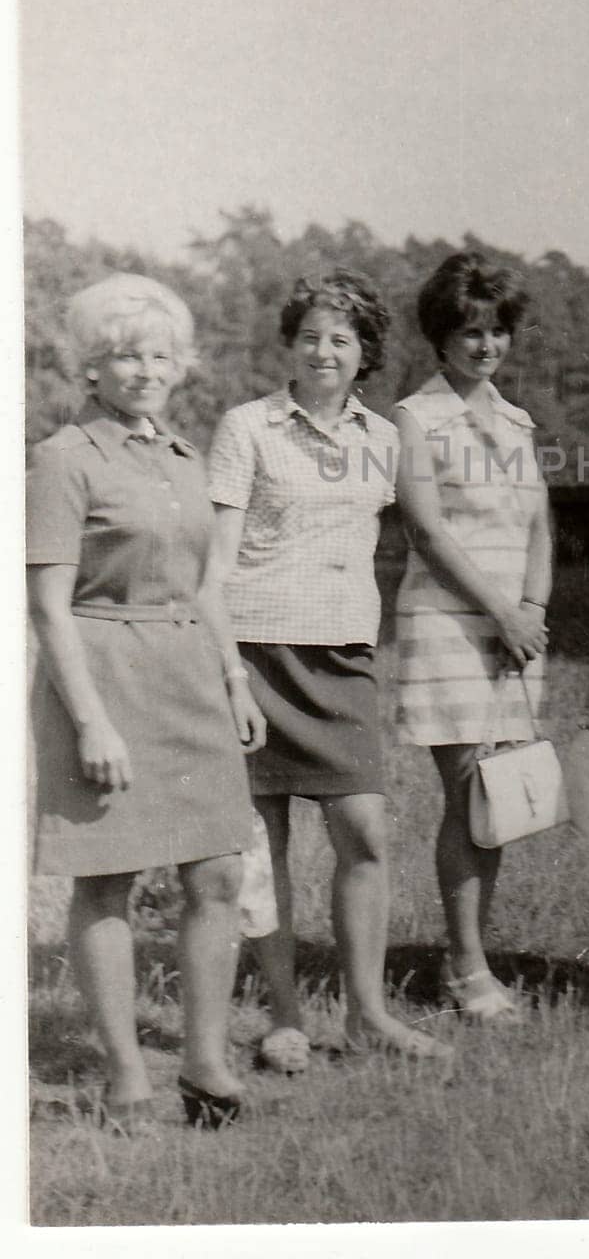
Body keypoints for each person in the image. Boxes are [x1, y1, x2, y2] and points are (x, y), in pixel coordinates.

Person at [27, 275, 264, 1132]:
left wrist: (235, 680)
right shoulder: (63, 458)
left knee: (219, 872)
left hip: (192, 676)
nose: (144, 369)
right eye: (126, 354)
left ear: (181, 367)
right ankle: (127, 1073)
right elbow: (48, 605)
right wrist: (89, 718)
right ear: (91, 367)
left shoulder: (184, 458)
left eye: (159, 354)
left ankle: (205, 1064)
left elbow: (208, 587)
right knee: (108, 880)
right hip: (105, 674)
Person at [208, 271, 449, 1067]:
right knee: (260, 849)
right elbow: (213, 568)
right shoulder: (246, 428)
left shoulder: (384, 440)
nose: (323, 351)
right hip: (252, 653)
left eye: (341, 339)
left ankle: (368, 1016)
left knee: (365, 832)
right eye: (310, 335)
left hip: (344, 656)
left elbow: (435, 538)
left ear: (365, 354)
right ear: (291, 343)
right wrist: (230, 677)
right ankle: (284, 1017)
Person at [394, 251, 551, 1021]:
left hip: (513, 634)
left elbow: (540, 524)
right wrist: (500, 612)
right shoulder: (415, 419)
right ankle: (465, 971)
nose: (485, 345)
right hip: (451, 629)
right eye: (469, 331)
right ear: (441, 335)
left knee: (500, 801)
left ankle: (474, 958)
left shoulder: (518, 421)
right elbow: (426, 532)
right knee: (467, 798)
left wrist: (535, 613)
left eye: (496, 331)